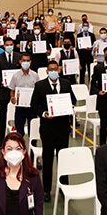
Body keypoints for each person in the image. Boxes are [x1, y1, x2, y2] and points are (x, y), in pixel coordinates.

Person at [30, 60, 76, 201]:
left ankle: (64, 185)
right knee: (48, 159)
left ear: (59, 70)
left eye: (55, 68)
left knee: (63, 158)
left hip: (63, 128)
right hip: (48, 129)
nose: (53, 71)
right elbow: (34, 105)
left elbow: (72, 99)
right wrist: (44, 113)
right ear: (47, 71)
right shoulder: (40, 86)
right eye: (51, 69)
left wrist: (71, 107)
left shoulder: (66, 84)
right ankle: (47, 190)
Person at [0, 38, 21, 142]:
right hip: (4, 90)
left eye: (11, 44)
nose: (9, 46)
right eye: (7, 44)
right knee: (3, 115)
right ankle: (1, 139)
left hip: (17, 91)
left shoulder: (18, 57)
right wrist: (1, 81)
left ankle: (18, 138)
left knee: (17, 114)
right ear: (4, 46)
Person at [9, 53, 40, 136]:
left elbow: (38, 90)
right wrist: (12, 97)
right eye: (24, 60)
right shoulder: (15, 76)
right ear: (20, 62)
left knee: (33, 131)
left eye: (27, 60)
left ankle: (32, 148)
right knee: (19, 132)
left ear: (30, 62)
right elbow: (12, 89)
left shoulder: (35, 75)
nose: (26, 62)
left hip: (32, 107)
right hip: (20, 108)